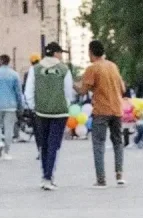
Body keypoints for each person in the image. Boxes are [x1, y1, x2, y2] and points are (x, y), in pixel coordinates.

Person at [75, 40, 126, 188]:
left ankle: (101, 178)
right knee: (118, 141)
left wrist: (72, 84)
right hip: (117, 109)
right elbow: (122, 88)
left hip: (101, 110)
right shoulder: (113, 66)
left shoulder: (93, 68)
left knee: (98, 143)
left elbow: (83, 90)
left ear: (91, 52)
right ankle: (119, 174)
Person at [24, 42, 73, 190]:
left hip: (41, 112)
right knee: (54, 145)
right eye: (60, 53)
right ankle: (48, 176)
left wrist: (34, 107)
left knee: (43, 145)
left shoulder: (35, 69)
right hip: (59, 112)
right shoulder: (64, 70)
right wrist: (65, 104)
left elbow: (28, 91)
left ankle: (44, 175)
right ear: (56, 53)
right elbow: (68, 92)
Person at [0, 54, 23, 161]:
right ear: (8, 62)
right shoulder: (14, 75)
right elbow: (18, 92)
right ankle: (7, 152)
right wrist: (20, 106)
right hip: (11, 105)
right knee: (8, 129)